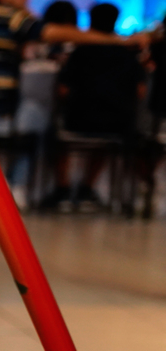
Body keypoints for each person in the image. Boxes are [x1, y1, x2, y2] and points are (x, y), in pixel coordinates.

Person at [0, 0, 146, 208]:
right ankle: (15, 185)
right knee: (40, 119)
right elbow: (55, 33)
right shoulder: (12, 18)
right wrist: (118, 40)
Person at [43, 3, 146, 211]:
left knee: (53, 132)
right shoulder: (128, 55)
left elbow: (62, 90)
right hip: (116, 124)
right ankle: (87, 189)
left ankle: (62, 189)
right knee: (105, 140)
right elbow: (140, 92)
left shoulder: (80, 52)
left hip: (78, 119)